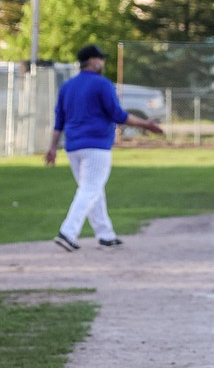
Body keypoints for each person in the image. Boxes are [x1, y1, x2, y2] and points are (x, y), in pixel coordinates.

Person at [45, 44, 164, 250]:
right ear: (92, 61)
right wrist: (147, 125)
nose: (103, 62)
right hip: (96, 146)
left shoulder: (67, 86)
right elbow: (118, 114)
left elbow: (59, 120)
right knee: (90, 190)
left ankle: (106, 235)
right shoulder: (102, 84)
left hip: (73, 146)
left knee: (94, 191)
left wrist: (52, 147)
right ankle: (67, 233)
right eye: (100, 59)